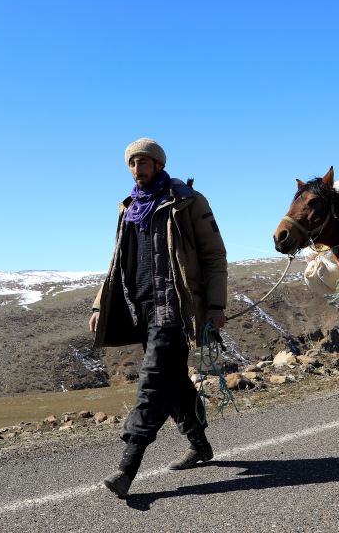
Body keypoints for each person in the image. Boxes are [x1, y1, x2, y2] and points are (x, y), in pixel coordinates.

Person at [89, 137, 228, 498]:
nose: (138, 169)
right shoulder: (129, 209)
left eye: (144, 162)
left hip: (175, 308)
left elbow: (214, 256)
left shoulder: (186, 202)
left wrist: (215, 307)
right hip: (141, 307)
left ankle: (127, 467)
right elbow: (116, 260)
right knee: (174, 380)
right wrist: (99, 304)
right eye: (133, 163)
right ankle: (200, 444)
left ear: (159, 165)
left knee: (152, 381)